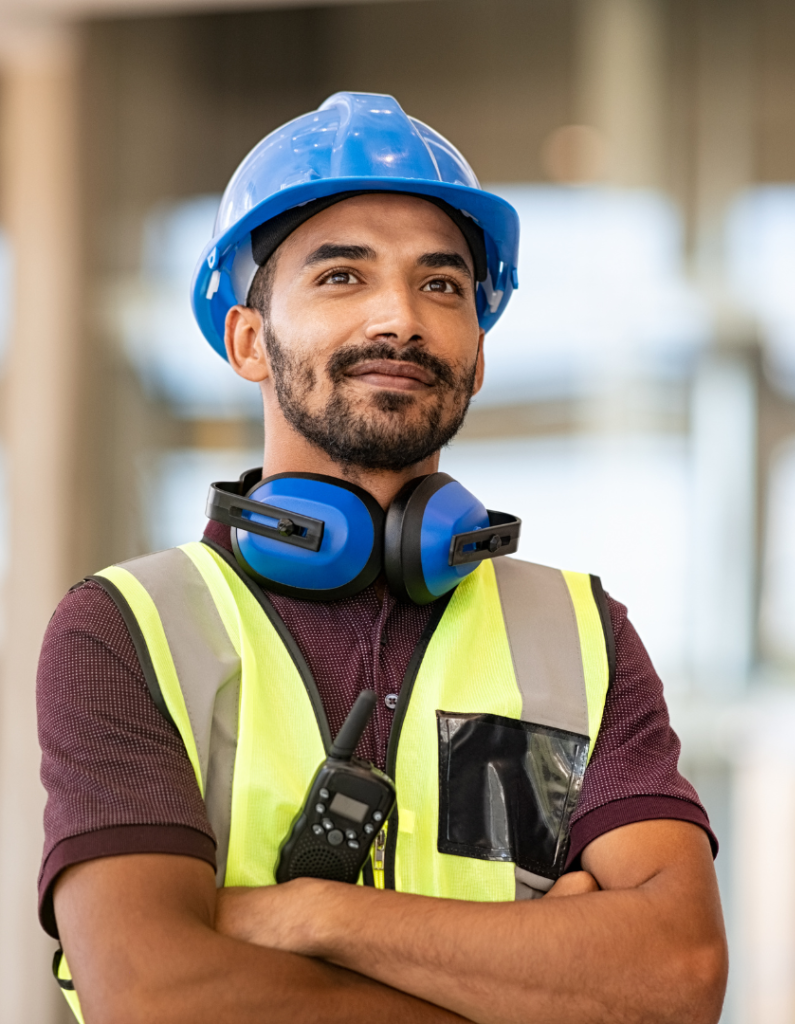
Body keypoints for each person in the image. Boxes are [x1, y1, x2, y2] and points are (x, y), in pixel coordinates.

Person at [38, 92, 728, 1024]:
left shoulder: (582, 635)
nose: (399, 318)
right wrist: (538, 987)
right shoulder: (128, 628)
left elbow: (678, 975)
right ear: (250, 341)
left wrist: (314, 915)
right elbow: (157, 994)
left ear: (478, 355)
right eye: (341, 278)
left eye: (441, 285)